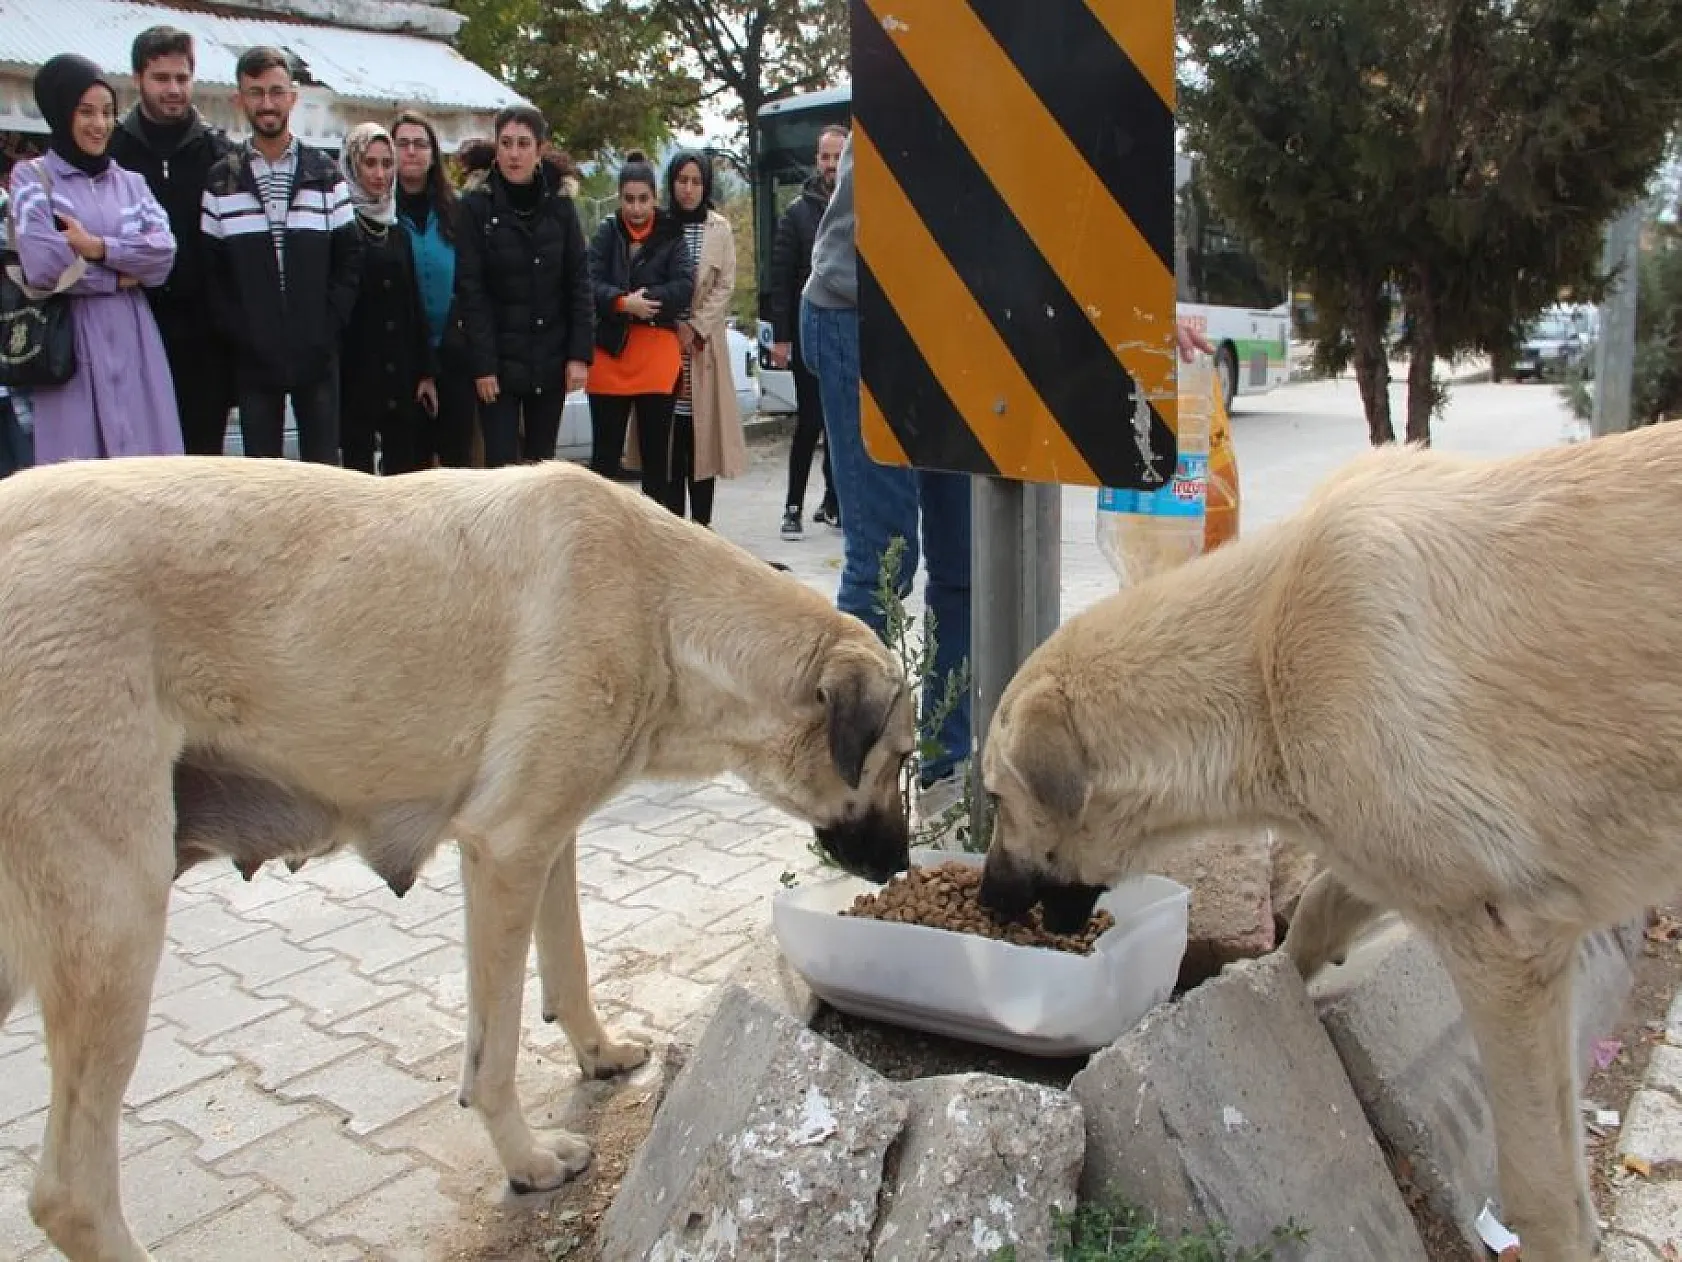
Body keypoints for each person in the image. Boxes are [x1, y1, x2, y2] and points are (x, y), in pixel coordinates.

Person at [798, 130, 969, 815]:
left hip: (964, 322)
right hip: (862, 312)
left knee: (965, 564)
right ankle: (848, 786)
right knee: (884, 561)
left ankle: (945, 774)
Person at [12, 54, 182, 464]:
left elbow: (163, 255)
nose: (100, 124)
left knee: (145, 468)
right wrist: (119, 278)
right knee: (80, 474)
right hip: (71, 343)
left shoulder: (131, 184)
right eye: (86, 112)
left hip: (134, 338)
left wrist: (97, 248)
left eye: (107, 112)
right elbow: (43, 267)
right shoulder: (32, 179)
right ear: (60, 112)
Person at [201, 46, 362, 463]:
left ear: (292, 97)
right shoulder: (222, 180)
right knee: (262, 480)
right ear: (239, 100)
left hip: (317, 353)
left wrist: (326, 327)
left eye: (276, 92)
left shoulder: (324, 174)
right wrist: (242, 333)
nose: (267, 104)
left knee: (323, 475)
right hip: (254, 357)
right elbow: (213, 273)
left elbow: (349, 260)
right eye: (256, 93)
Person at [107, 25, 235, 456]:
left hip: (205, 340)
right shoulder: (112, 152)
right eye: (161, 78)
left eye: (182, 78)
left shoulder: (220, 154)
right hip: (133, 328)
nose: (174, 89)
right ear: (137, 78)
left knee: (202, 462)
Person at [453, 105, 592, 466]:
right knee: (501, 469)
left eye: (523, 144)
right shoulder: (476, 207)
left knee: (541, 469)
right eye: (506, 143)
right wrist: (483, 365)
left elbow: (578, 281)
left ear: (539, 149)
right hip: (498, 361)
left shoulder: (560, 207)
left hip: (549, 358)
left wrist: (579, 355)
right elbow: (471, 289)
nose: (514, 153)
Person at [623, 149, 744, 525]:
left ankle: (702, 526)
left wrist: (696, 326)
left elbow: (725, 285)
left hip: (703, 348)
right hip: (662, 342)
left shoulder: (719, 228)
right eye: (682, 181)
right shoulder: (658, 226)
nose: (688, 189)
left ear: (705, 185)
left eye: (696, 181)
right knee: (666, 438)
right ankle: (670, 525)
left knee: (702, 439)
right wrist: (672, 321)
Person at [584, 151, 694, 505]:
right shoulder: (606, 232)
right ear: (619, 199)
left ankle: (654, 531)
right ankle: (600, 530)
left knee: (656, 460)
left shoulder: (672, 234)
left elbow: (684, 286)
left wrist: (645, 300)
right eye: (629, 200)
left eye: (643, 199)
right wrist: (622, 302)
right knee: (604, 460)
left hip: (656, 356)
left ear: (655, 198)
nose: (635, 208)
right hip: (610, 354)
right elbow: (588, 283)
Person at [336, 123, 434, 475]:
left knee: (403, 476)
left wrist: (425, 371)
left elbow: (413, 305)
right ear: (352, 165)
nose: (379, 174)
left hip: (400, 375)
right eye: (370, 163)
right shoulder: (338, 225)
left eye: (387, 163)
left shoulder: (396, 230)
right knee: (356, 477)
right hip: (355, 373)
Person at [768, 124, 845, 540]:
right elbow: (780, 282)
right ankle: (792, 507)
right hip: (807, 333)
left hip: (848, 334)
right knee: (811, 420)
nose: (831, 164)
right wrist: (781, 338)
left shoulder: (860, 207)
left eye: (838, 156)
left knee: (842, 425)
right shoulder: (797, 214)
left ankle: (835, 502)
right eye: (825, 157)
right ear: (817, 161)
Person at [391, 109, 475, 468]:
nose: (411, 151)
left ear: (433, 153)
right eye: (403, 144)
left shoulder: (456, 211)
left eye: (420, 144)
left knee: (456, 460)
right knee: (408, 462)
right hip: (403, 355)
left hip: (454, 352)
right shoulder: (381, 213)